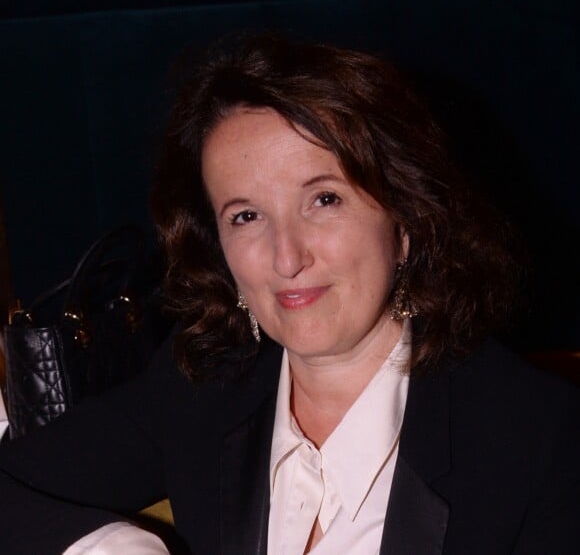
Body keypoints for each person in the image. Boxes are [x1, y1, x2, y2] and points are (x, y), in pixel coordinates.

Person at [0, 34, 579, 555]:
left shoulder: (539, 442)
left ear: (404, 223)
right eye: (246, 215)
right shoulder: (206, 385)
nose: (286, 257)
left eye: (324, 199)